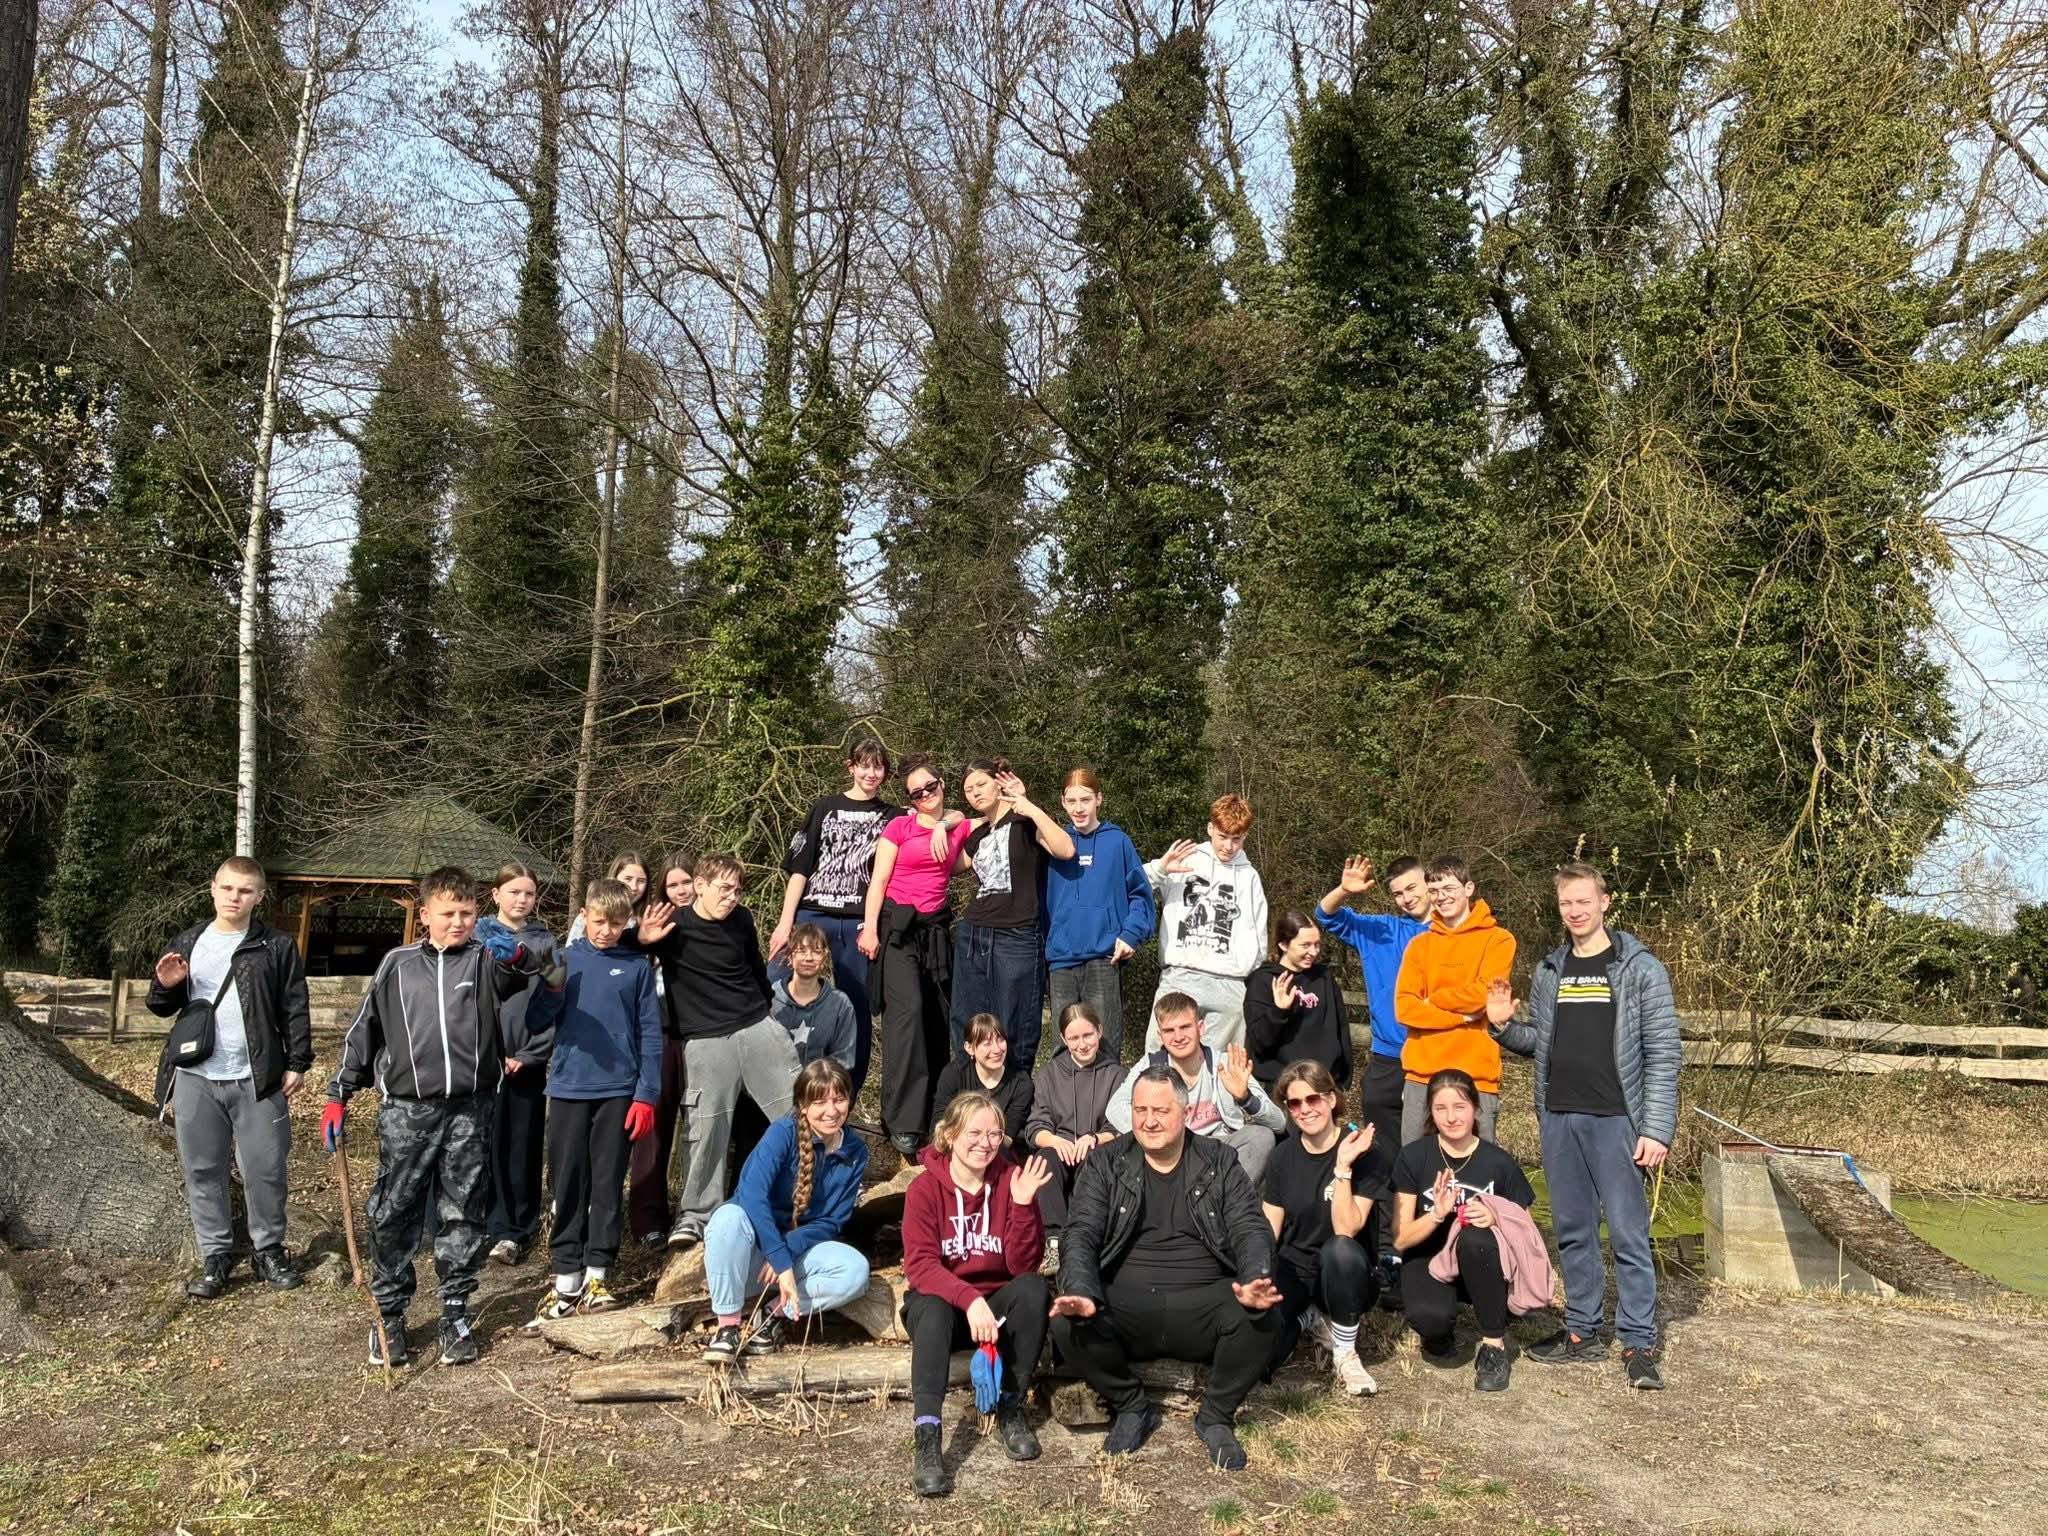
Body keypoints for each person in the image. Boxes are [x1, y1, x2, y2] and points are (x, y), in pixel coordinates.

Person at [323, 866, 538, 1367]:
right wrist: (338, 1094)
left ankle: (455, 1312)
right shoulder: (397, 965)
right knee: (393, 1210)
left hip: (471, 1109)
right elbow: (364, 1029)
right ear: (425, 915)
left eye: (466, 913)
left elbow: (539, 976)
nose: (458, 922)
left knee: (462, 1211)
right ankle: (390, 1315)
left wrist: (517, 956)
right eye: (448, 914)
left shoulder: (486, 961)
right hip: (407, 1110)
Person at [1488, 861, 1679, 1390]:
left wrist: (1656, 1129)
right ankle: (1582, 1330)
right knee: (1573, 1230)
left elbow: (1664, 1054)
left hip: (1618, 1121)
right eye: (1566, 903)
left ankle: (1638, 1341)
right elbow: (1540, 1043)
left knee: (1628, 1234)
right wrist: (1502, 1027)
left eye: (1583, 901)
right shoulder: (1551, 970)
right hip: (1560, 1117)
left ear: (1604, 902)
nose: (1574, 911)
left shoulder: (1640, 969)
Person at [1051, 1067, 1283, 1471]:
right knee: (1064, 1322)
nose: (1149, 1121)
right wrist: (1082, 1290)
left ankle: (1216, 1415)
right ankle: (1131, 1405)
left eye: (1161, 1110)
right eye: (1140, 1110)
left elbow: (1250, 1227)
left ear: (1186, 1112)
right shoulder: (1106, 1163)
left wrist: (1253, 1279)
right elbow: (1080, 1232)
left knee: (1263, 1315)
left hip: (1203, 1304)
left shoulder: (1219, 1161)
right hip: (1127, 1306)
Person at [147, 855, 312, 1299]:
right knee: (203, 1169)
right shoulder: (188, 941)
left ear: (259, 896)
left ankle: (268, 1251)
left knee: (265, 1169)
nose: (234, 897)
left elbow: (294, 1005)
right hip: (195, 1075)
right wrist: (165, 985)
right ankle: (215, 1256)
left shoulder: (276, 945)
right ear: (213, 889)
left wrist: (298, 1061)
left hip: (258, 1076)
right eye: (227, 888)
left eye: (244, 891)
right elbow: (161, 1007)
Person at [633, 854, 803, 1247]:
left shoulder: (741, 919)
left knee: (799, 1114)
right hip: (705, 1040)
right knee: (706, 1129)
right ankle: (696, 1217)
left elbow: (756, 967)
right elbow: (620, 947)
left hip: (756, 1025)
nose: (732, 897)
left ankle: (815, 1198)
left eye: (737, 890)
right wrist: (641, 941)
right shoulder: (674, 924)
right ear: (700, 886)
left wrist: (767, 1012)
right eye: (724, 888)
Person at [900, 1092, 1053, 1497]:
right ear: (950, 1135)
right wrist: (969, 1299)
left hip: (994, 1309)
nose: (985, 1143)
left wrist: (1023, 1204)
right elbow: (920, 1266)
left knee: (1034, 1290)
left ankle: (1010, 1408)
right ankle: (928, 1436)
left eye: (994, 1134)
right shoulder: (924, 1190)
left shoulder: (1011, 1180)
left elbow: (1022, 1267)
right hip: (945, 1311)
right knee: (932, 1307)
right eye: (974, 1133)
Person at [525, 878, 663, 1325]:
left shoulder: (637, 966)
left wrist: (646, 1094)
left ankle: (597, 1276)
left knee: (607, 1183)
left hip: (619, 1092)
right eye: (599, 921)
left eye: (616, 924)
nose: (606, 931)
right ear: (584, 916)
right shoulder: (563, 960)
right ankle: (565, 1278)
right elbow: (536, 1021)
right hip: (568, 1087)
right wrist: (550, 990)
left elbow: (649, 1034)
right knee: (568, 1182)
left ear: (628, 923)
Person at [701, 1059, 872, 1362]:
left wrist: (787, 1252)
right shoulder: (782, 1132)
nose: (831, 1110)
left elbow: (832, 1221)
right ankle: (728, 1327)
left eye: (839, 1099)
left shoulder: (855, 1151)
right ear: (803, 1105)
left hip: (796, 1254)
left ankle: (771, 1316)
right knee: (727, 1218)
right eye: (820, 1102)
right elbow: (751, 1195)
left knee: (855, 1270)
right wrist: (778, 1257)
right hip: (752, 1254)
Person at [1392, 1069, 1539, 1393]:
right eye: (1440, 1108)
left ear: (1475, 1107)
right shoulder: (1413, 1156)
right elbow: (1401, 1238)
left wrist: (1495, 1216)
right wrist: (1436, 1214)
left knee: (1475, 1237)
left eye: (1459, 1106)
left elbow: (1528, 1231)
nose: (1451, 1117)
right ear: (1430, 1112)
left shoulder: (1499, 1163)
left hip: (1482, 1261)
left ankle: (1493, 1345)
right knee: (1431, 1320)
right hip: (1429, 1258)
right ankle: (1441, 1330)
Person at [859, 754, 976, 1154]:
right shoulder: (900, 826)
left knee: (936, 1019)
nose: (926, 795)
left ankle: (933, 1115)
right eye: (916, 793)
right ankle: (902, 1120)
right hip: (898, 928)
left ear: (942, 784)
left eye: (931, 787)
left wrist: (946, 823)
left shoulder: (958, 826)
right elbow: (879, 880)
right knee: (906, 1014)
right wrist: (870, 929)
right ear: (909, 799)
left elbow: (991, 814)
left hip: (935, 932)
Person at [768, 737, 899, 1094]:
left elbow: (938, 817)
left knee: (856, 1006)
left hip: (857, 922)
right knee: (772, 984)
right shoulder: (824, 807)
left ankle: (844, 1094)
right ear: (851, 767)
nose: (871, 773)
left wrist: (948, 821)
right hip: (812, 914)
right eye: (864, 765)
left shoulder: (893, 816)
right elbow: (799, 869)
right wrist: (785, 923)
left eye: (878, 766)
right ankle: (776, 1082)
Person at [1261, 1061, 1391, 1396]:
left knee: (1339, 1248)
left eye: (1313, 1099)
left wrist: (1343, 1166)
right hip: (1295, 1268)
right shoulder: (1281, 1157)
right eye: (1294, 1103)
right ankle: (1307, 1319)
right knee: (1262, 1359)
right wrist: (1255, 1274)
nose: (1305, 1109)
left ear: (1331, 1099)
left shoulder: (1365, 1151)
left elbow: (1347, 1228)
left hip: (1345, 1272)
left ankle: (1345, 1352)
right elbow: (1269, 1227)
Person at [1315, 855, 1430, 1205]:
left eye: (1412, 888)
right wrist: (1344, 890)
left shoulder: (1451, 935)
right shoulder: (1381, 931)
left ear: (1430, 884)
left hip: (1431, 1056)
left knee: (1428, 1151)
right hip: (1387, 1058)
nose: (1406, 898)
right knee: (1383, 1154)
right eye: (1398, 893)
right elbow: (1325, 915)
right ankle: (1386, 1228)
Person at [949, 759, 1074, 1067]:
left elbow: (1065, 849)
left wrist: (1028, 806)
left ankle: (1013, 1096)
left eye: (981, 784)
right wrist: (941, 824)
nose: (975, 793)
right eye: (968, 790)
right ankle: (971, 1093)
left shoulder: (1024, 822)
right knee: (969, 1025)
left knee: (1015, 1027)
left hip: (1016, 937)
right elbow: (948, 866)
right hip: (973, 935)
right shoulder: (978, 834)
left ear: (998, 783)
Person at [1394, 856, 1515, 1144]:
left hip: (1475, 1075)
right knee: (1415, 1164)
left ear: (1468, 888)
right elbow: (1405, 1008)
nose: (1441, 897)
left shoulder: (1499, 940)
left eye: (1448, 888)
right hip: (1422, 1076)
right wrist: (1460, 1016)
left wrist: (1432, 1000)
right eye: (1434, 891)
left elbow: (1482, 994)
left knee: (1477, 1166)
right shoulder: (1419, 946)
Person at [1106, 993, 1285, 1184]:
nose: (1178, 1037)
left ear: (1201, 1028)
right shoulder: (1149, 1065)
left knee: (1261, 1137)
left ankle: (1224, 1198)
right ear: (1160, 1036)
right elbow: (1115, 1108)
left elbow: (1279, 1123)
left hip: (1218, 1147)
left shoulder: (1225, 1064)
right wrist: (1159, 1131)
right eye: (1169, 1030)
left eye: (1185, 1027)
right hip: (1171, 1149)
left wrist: (1246, 1098)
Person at [481, 862, 564, 1266]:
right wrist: (489, 1053)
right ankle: (480, 1223)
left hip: (526, 1063)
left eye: (529, 893)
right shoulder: (477, 937)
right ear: (496, 894)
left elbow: (557, 999)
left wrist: (530, 1055)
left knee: (521, 1148)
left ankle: (515, 1230)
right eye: (514, 891)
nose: (522, 899)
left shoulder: (546, 943)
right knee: (482, 1146)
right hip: (481, 1064)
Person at [1143, 794, 1269, 1051]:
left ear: (1245, 836)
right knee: (1158, 1058)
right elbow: (1129, 886)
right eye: (1223, 836)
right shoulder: (1185, 860)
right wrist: (1161, 869)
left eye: (1237, 839)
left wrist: (1242, 969)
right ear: (1210, 828)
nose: (1228, 846)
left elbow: (1259, 936)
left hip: (1229, 984)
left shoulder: (1249, 877)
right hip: (1180, 975)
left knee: (1220, 1065)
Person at [1043, 768, 1154, 1054]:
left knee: (1104, 1046)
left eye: (1086, 800)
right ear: (1062, 802)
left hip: (1104, 958)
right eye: (1071, 801)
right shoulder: (1053, 844)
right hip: (1061, 960)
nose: (1079, 808)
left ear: (1099, 799)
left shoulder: (1118, 842)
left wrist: (1130, 934)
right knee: (1063, 1048)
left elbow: (1140, 895)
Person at [628, 854, 697, 1249]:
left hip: (703, 1034)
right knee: (654, 1129)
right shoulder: (651, 924)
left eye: (686, 882)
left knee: (701, 1128)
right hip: (660, 1036)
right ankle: (647, 1220)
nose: (681, 890)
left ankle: (695, 1213)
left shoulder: (714, 922)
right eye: (673, 885)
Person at [1022, 1001, 1124, 1239]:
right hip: (1060, 1148)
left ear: (1099, 1031)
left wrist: (1095, 1139)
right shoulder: (1048, 1074)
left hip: (1095, 1148)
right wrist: (1056, 1142)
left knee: (1096, 1160)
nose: (1082, 1044)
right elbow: (1036, 1126)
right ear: (1063, 1039)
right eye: (1074, 1038)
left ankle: (1086, 1230)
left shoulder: (1117, 1075)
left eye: (1088, 1035)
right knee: (1043, 1159)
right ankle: (1054, 1235)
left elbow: (1120, 1126)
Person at [1243, 911, 1352, 1096]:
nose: (1314, 952)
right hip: (1282, 1087)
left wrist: (1343, 1080)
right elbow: (1260, 1042)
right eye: (1305, 945)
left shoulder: (1323, 978)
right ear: (1283, 944)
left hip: (1323, 1083)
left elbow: (1340, 1029)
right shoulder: (1263, 981)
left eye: (1317, 944)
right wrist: (1279, 1011)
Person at [932, 1012, 1035, 1154]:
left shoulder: (1021, 1083)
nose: (997, 1049)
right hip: (956, 1146)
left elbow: (1008, 1136)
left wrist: (981, 1148)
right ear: (969, 1048)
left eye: (1000, 1040)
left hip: (996, 1150)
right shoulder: (954, 1074)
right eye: (987, 1043)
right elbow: (940, 1122)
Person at [771, 921, 858, 1073]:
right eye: (801, 951)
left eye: (816, 951)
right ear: (790, 957)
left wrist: (812, 1080)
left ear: (824, 958)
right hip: (775, 1084)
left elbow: (844, 1059)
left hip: (819, 1085)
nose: (809, 958)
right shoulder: (769, 999)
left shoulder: (840, 1004)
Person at [566, 850, 650, 945]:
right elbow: (570, 951)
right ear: (615, 878)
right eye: (628, 879)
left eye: (641, 881)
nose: (634, 887)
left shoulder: (649, 920)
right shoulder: (588, 917)